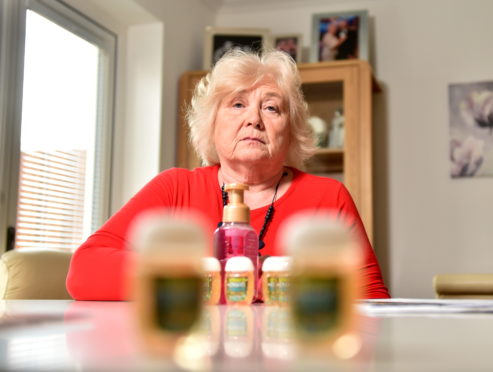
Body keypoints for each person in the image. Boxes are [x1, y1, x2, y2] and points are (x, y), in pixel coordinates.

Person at [66, 49, 390, 300]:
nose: (254, 119)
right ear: (211, 124)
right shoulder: (175, 187)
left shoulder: (328, 196)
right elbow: (85, 270)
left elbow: (373, 301)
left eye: (271, 107)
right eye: (237, 104)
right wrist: (210, 280)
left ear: (291, 132)